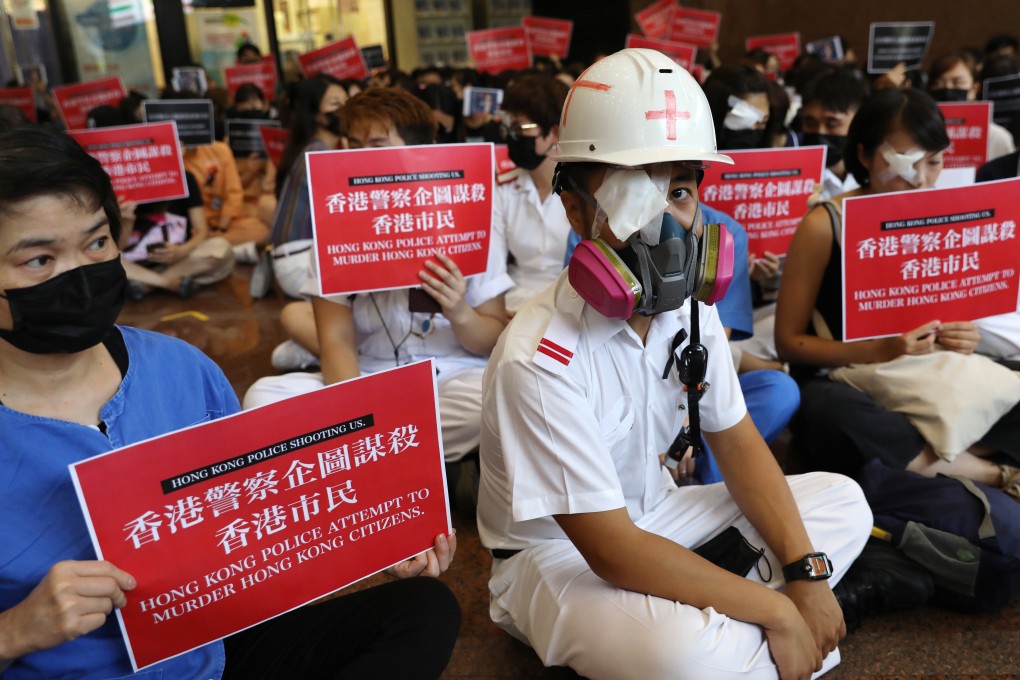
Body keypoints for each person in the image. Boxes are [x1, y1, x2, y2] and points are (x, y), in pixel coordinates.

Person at [0, 126, 460, 678]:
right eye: (39, 261)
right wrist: (17, 629)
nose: (79, 275)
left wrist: (369, 537)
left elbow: (255, 528)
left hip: (211, 652)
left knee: (423, 611)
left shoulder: (180, 369)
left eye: (97, 244)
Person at [477, 48, 872, 680]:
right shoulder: (538, 357)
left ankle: (749, 623)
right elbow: (609, 549)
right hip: (557, 560)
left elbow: (737, 441)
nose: (662, 222)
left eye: (680, 190)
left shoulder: (689, 308)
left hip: (661, 516)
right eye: (633, 194)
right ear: (575, 209)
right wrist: (782, 612)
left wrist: (806, 572)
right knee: (683, 659)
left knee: (845, 502)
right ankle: (775, 629)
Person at [245, 88, 512, 477]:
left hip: (451, 375)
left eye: (377, 144)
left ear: (419, 151)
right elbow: (335, 340)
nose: (360, 156)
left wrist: (459, 312)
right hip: (366, 376)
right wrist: (356, 416)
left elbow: (491, 337)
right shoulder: (335, 221)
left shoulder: (472, 216)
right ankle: (387, 449)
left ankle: (366, 456)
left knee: (494, 406)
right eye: (352, 144)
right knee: (262, 399)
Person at [775, 87, 1020, 484]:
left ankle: (931, 461)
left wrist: (964, 335)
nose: (922, 179)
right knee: (829, 416)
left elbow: (951, 316)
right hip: (846, 376)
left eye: (935, 162)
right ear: (865, 156)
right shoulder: (825, 223)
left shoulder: (944, 216)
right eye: (905, 163)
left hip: (928, 372)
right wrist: (882, 349)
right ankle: (993, 473)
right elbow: (788, 344)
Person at [489, 73, 572, 312]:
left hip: (572, 307)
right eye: (509, 128)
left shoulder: (585, 190)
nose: (512, 137)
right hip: (513, 304)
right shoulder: (503, 188)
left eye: (520, 128)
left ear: (554, 134)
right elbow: (493, 271)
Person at [270, 73, 346, 299]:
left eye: (346, 102)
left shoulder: (314, 147)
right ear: (318, 116)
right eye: (335, 104)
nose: (345, 109)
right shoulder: (319, 153)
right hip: (301, 262)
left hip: (299, 257)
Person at [927, 50, 1015, 161]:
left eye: (957, 82)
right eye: (938, 83)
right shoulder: (918, 134)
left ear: (974, 89)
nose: (948, 88)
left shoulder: (997, 138)